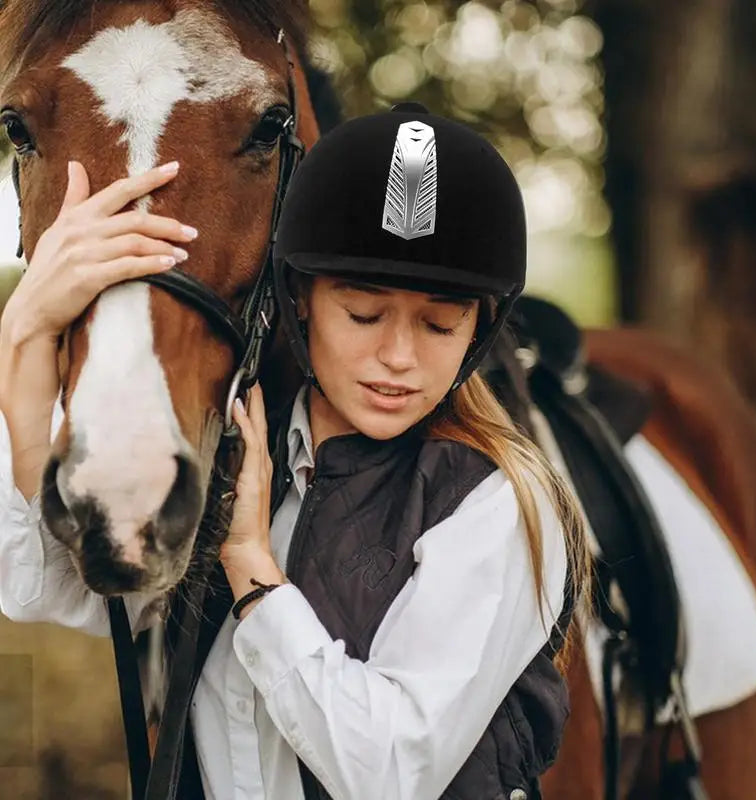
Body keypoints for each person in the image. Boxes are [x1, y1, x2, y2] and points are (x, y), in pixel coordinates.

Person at [0, 104, 589, 800]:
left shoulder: (495, 505)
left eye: (439, 323)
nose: (397, 358)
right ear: (301, 298)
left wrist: (251, 565)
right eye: (363, 315)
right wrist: (26, 336)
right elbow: (40, 589)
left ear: (479, 331)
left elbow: (390, 773)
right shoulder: (231, 448)